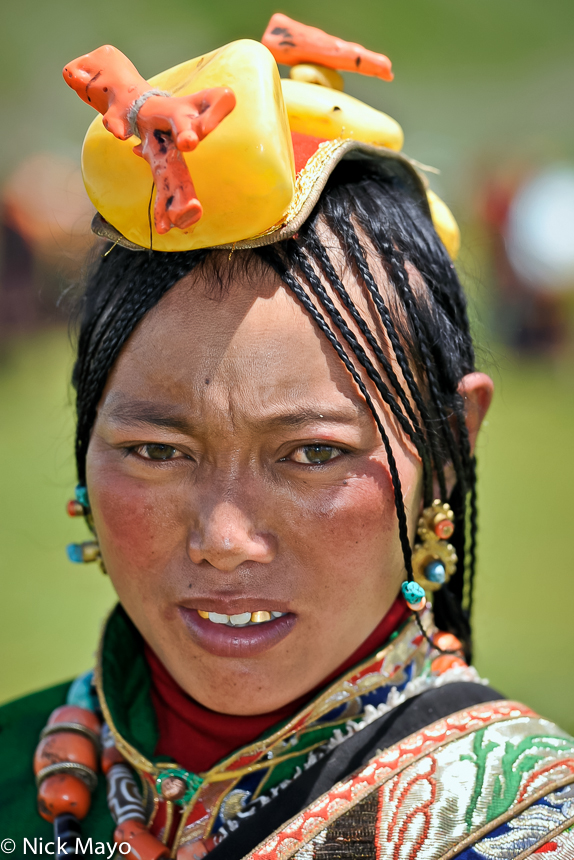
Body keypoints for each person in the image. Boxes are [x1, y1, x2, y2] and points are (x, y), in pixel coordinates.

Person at [1, 14, 573, 860]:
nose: (224, 541)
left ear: (450, 443)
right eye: (157, 451)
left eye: (312, 453)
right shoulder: (19, 768)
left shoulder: (529, 830)